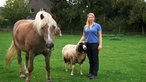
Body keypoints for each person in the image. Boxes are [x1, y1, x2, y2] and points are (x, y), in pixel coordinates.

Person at [78, 13, 102, 79]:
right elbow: (84, 36)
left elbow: (100, 36)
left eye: (92, 17)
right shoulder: (85, 26)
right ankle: (91, 72)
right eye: (89, 17)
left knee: (95, 59)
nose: (90, 18)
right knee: (90, 59)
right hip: (87, 44)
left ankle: (94, 74)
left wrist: (100, 44)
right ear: (87, 18)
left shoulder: (97, 25)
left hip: (95, 44)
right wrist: (79, 42)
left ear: (94, 18)